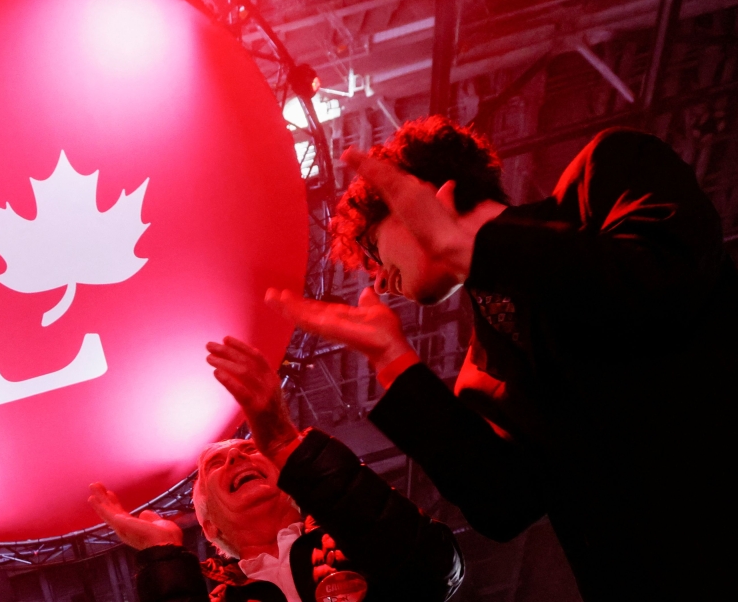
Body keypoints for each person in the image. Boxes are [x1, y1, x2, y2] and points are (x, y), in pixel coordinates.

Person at [265, 118, 738, 601]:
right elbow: (507, 505)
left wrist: (474, 250)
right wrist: (393, 361)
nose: (380, 283)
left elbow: (661, 284)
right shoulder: (479, 374)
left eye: (371, 250)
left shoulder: (608, 173)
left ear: (422, 191)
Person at [90, 336, 464, 602]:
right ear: (209, 525)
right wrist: (161, 555)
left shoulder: (361, 544)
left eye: (251, 450)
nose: (236, 458)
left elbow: (435, 569)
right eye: (215, 465)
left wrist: (289, 446)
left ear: (291, 484)